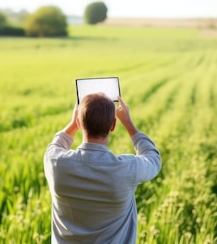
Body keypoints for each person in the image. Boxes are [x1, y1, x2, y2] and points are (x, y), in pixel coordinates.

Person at [43, 93, 161, 243]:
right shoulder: (126, 169)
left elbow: (57, 144)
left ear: (79, 123)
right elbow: (153, 159)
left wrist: (74, 122)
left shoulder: (56, 163)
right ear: (113, 125)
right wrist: (128, 123)